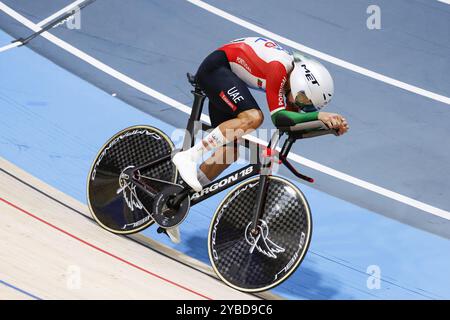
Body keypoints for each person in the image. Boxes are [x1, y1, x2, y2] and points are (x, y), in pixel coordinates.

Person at [173, 37, 349, 192]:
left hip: (229, 79)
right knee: (253, 117)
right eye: (303, 100)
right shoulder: (278, 68)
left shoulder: (293, 84)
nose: (300, 105)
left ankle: (176, 198)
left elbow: (290, 127)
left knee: (229, 153)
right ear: (300, 84)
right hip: (216, 70)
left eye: (307, 106)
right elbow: (279, 118)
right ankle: (189, 156)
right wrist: (320, 116)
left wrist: (327, 127)